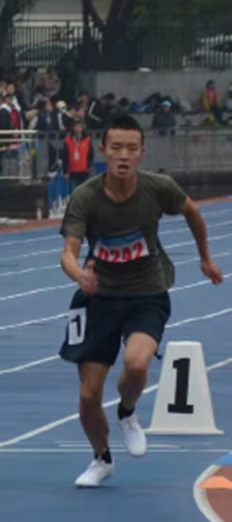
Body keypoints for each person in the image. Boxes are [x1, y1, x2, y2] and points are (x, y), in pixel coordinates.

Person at [58, 115, 223, 489]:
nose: (124, 155)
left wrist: (205, 258)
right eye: (116, 147)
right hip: (98, 299)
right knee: (88, 394)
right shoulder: (86, 197)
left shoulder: (158, 188)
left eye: (131, 148)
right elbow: (67, 252)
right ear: (104, 151)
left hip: (146, 293)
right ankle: (102, 458)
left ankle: (127, 411)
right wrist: (80, 275)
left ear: (142, 153)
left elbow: (193, 211)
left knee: (136, 363)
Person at [61, 119, 94, 192]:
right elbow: (65, 156)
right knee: (74, 192)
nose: (78, 129)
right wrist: (65, 171)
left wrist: (89, 166)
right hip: (72, 171)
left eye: (79, 126)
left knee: (84, 192)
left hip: (84, 171)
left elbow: (90, 154)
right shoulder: (68, 141)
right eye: (76, 126)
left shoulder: (87, 140)